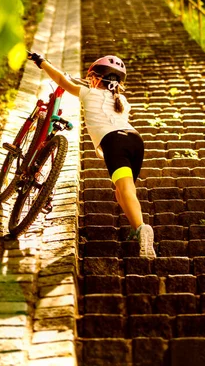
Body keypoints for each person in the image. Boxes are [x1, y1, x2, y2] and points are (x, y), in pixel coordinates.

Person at [29, 52, 156, 258]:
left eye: (91, 77)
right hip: (135, 142)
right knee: (122, 191)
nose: (88, 81)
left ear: (97, 78)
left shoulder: (88, 93)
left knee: (124, 190)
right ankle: (137, 229)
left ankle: (142, 228)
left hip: (114, 142)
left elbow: (62, 79)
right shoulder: (122, 100)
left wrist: (42, 62)